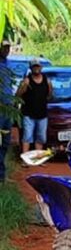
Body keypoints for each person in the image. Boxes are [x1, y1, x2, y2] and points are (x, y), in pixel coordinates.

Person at [16, 58, 52, 154]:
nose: (36, 68)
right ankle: (25, 159)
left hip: (42, 114)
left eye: (37, 66)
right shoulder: (27, 81)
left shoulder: (46, 80)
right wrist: (24, 86)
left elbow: (49, 95)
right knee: (27, 137)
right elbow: (18, 96)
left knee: (41, 137)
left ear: (41, 67)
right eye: (34, 67)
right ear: (31, 68)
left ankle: (37, 158)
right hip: (28, 114)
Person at [0, 39, 13, 183]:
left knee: (5, 143)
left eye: (8, 47)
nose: (7, 50)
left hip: (8, 108)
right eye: (4, 47)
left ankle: (2, 176)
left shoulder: (7, 63)